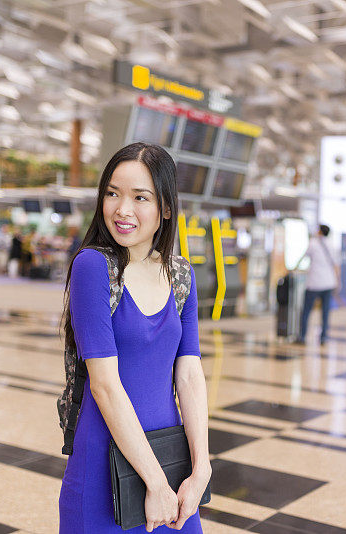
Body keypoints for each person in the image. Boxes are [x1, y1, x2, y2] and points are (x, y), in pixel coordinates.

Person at [58, 143, 209, 533]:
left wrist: (201, 466)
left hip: (170, 460)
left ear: (166, 208)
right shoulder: (93, 266)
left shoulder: (181, 276)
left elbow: (189, 374)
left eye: (140, 197)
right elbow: (105, 387)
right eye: (112, 193)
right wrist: (155, 483)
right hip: (105, 470)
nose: (122, 210)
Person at [296, 224, 339, 345]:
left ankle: (302, 336)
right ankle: (324, 336)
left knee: (306, 310)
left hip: (314, 283)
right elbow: (336, 265)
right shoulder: (332, 245)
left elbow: (303, 257)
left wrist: (294, 268)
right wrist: (337, 282)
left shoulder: (313, 243)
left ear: (319, 231)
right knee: (325, 312)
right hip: (329, 282)